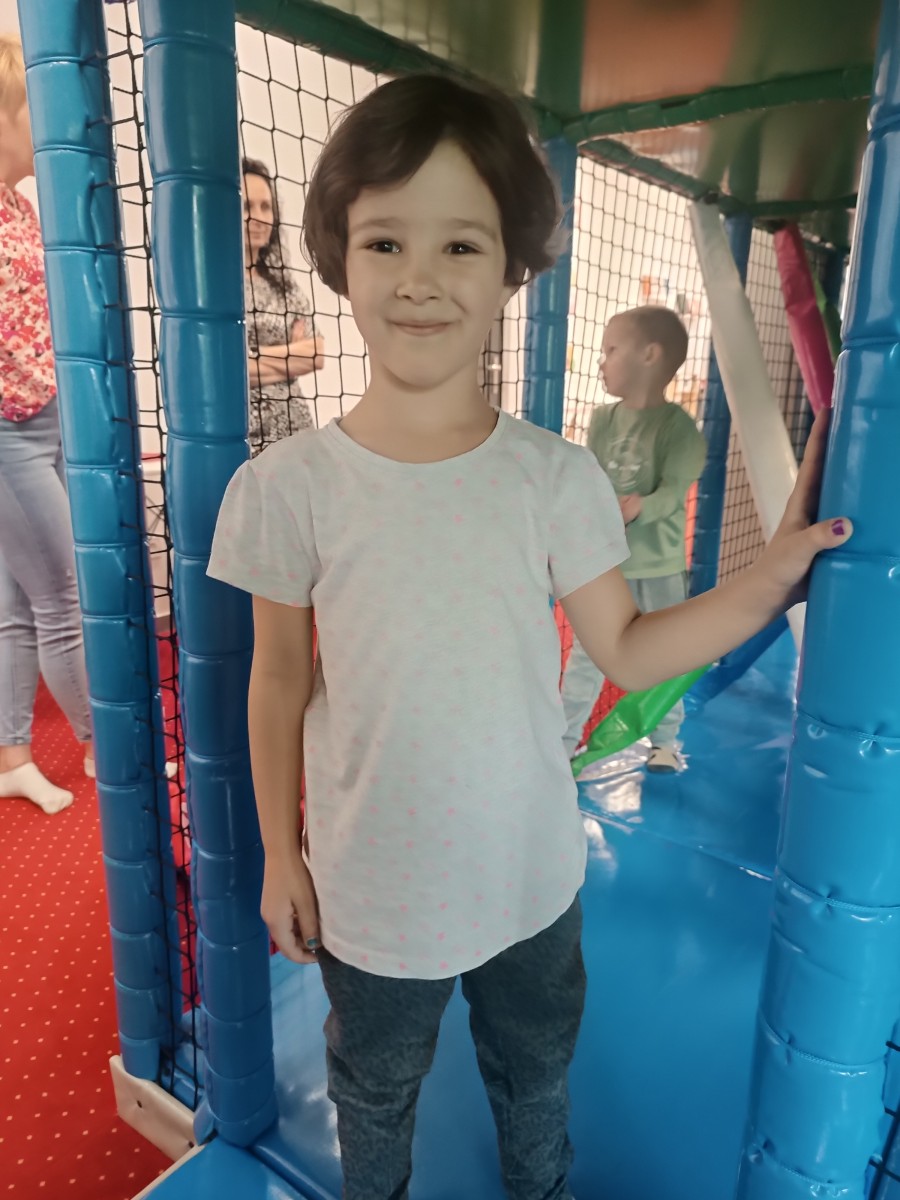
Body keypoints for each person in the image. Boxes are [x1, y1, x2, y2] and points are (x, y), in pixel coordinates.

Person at [207, 74, 851, 1200]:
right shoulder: (286, 488)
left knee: (535, 1077)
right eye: (385, 242)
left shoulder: (554, 477)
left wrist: (771, 580)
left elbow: (630, 649)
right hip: (373, 888)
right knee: (375, 1090)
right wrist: (280, 855)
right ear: (340, 258)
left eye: (460, 246)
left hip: (530, 879)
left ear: (511, 267)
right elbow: (277, 681)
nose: (419, 280)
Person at [0, 34, 93, 815]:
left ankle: (10, 756)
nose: (42, 125)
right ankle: (109, 743)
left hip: (47, 416)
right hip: (8, 432)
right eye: (30, 109)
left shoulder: (18, 206)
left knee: (15, 605)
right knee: (65, 594)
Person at [560, 305, 707, 773]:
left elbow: (673, 491)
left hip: (659, 566)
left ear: (649, 355)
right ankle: (563, 742)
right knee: (586, 656)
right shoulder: (603, 421)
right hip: (607, 565)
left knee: (666, 653)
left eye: (610, 350)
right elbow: (589, 477)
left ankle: (664, 742)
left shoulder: (677, 429)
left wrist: (638, 506)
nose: (601, 361)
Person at [242, 157, 324, 455]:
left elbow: (316, 354)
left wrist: (252, 355)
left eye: (266, 206)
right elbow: (228, 370)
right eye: (247, 207)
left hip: (296, 434)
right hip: (246, 440)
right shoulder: (215, 289)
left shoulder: (283, 286)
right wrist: (290, 353)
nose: (259, 217)